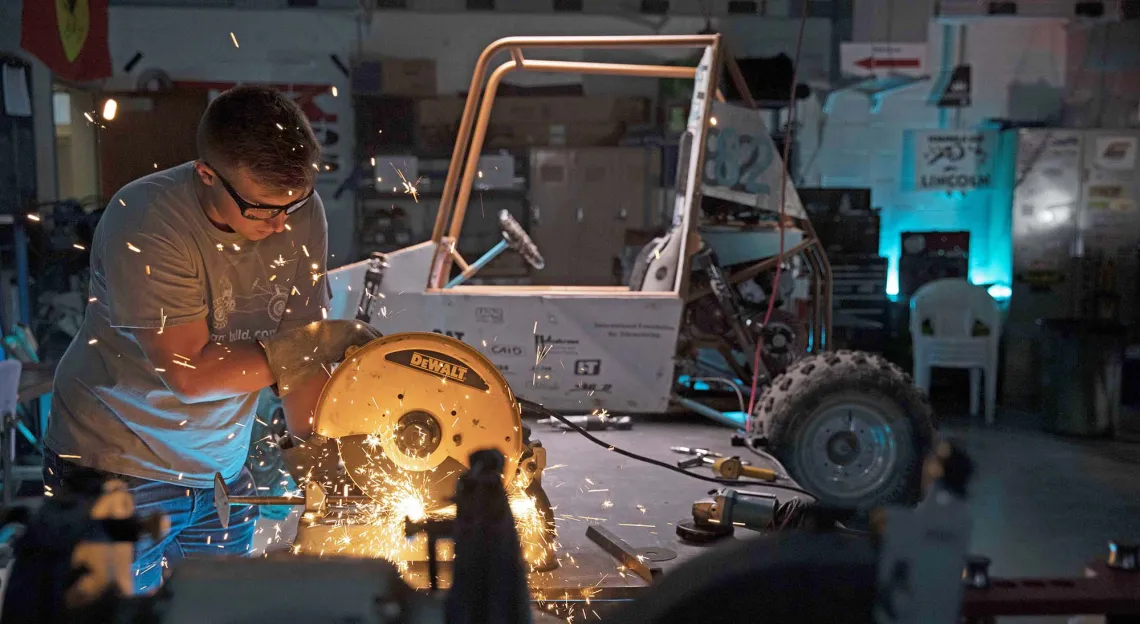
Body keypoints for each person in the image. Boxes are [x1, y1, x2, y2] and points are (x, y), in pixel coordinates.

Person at [42, 85, 373, 593]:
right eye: (261, 209)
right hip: (116, 469)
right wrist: (320, 343)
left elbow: (298, 351)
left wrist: (322, 461)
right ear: (207, 175)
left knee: (217, 609)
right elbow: (190, 374)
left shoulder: (296, 211)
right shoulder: (149, 220)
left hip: (221, 474)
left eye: (294, 203)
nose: (281, 222)